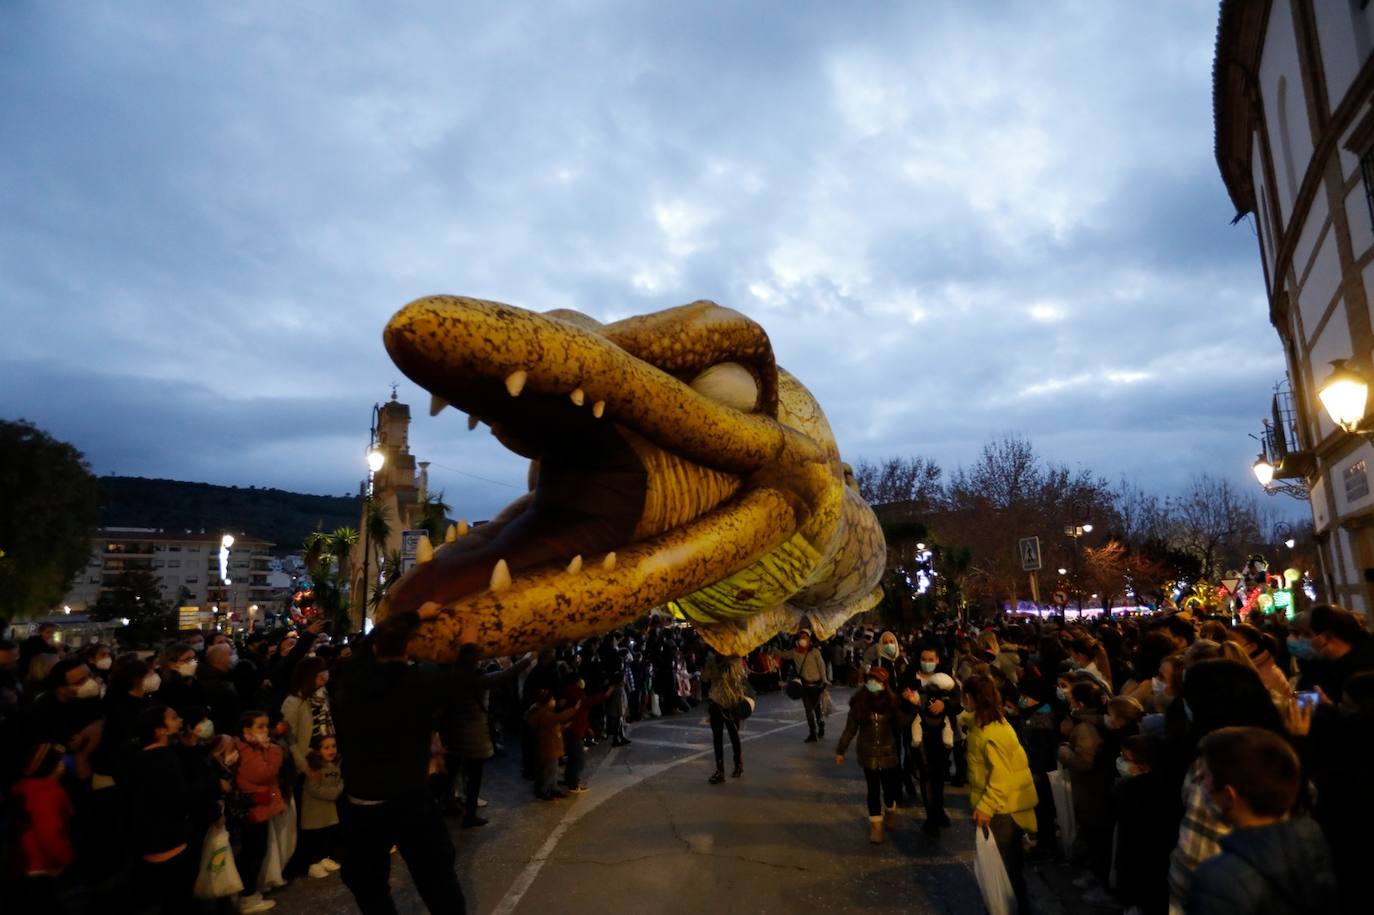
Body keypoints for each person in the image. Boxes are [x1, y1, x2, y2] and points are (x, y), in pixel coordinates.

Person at [332, 609, 487, 914]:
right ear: (407, 652)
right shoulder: (418, 683)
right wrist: (469, 646)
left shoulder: (348, 681)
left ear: (375, 648)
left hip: (361, 802)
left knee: (366, 881)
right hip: (409, 800)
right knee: (436, 877)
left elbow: (363, 651)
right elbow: (460, 682)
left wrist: (412, 616)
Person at [1186, 726, 1339, 914]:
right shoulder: (1314, 844)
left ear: (1229, 795)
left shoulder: (1218, 880)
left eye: (1205, 776)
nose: (1199, 782)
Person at [962, 673, 1036, 915]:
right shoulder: (989, 722)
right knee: (1008, 870)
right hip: (1004, 806)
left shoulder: (990, 733)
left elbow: (1001, 778)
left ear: (970, 698)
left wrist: (986, 806)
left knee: (1006, 872)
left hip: (1004, 811)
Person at [122, 704, 200, 913]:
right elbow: (180, 796)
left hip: (147, 842)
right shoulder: (164, 759)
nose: (180, 720)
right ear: (160, 730)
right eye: (174, 718)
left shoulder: (138, 758)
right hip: (170, 841)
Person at [834, 666, 908, 843]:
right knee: (873, 791)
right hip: (867, 754)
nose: (873, 683)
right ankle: (876, 827)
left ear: (884, 683)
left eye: (877, 680)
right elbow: (850, 729)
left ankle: (890, 809)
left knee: (889, 790)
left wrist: (911, 706)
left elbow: (901, 725)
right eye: (870, 679)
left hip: (888, 753)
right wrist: (840, 750)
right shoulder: (859, 702)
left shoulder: (893, 702)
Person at [235, 710, 285, 913]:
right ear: (247, 730)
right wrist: (275, 751)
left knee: (256, 850)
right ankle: (247, 896)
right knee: (253, 852)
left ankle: (250, 891)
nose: (266, 731)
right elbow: (264, 773)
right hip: (254, 810)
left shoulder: (254, 747)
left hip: (260, 808)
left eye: (266, 726)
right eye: (260, 727)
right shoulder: (246, 750)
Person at [300, 734, 343, 879]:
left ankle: (324, 857)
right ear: (318, 751)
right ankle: (314, 863)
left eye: (333, 746)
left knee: (327, 834)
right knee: (316, 836)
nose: (331, 750)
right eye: (326, 747)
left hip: (328, 809)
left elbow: (339, 781)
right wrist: (335, 792)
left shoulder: (335, 764)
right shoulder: (314, 768)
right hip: (315, 810)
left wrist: (338, 788)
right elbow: (314, 789)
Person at [525, 688, 580, 801]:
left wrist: (563, 727)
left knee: (552, 770)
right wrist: (574, 709)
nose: (554, 701)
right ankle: (543, 791)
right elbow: (559, 718)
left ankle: (553, 789)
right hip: (548, 748)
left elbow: (553, 726)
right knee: (549, 771)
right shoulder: (544, 714)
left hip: (549, 747)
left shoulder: (542, 712)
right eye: (553, 699)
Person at [701, 651, 748, 784]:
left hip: (731, 703)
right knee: (717, 738)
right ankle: (720, 770)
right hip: (716, 703)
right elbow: (705, 678)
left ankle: (738, 765)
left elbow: (741, 678)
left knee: (734, 734)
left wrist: (727, 666)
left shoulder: (734, 660)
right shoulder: (711, 659)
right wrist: (706, 669)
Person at [789, 629, 830, 743]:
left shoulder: (815, 651)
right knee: (808, 710)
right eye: (801, 637)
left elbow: (821, 667)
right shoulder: (795, 652)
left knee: (817, 709)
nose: (802, 639)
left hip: (816, 686)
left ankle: (821, 724)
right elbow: (784, 655)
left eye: (805, 637)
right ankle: (812, 733)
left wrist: (824, 680)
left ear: (809, 639)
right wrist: (774, 650)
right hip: (804, 686)